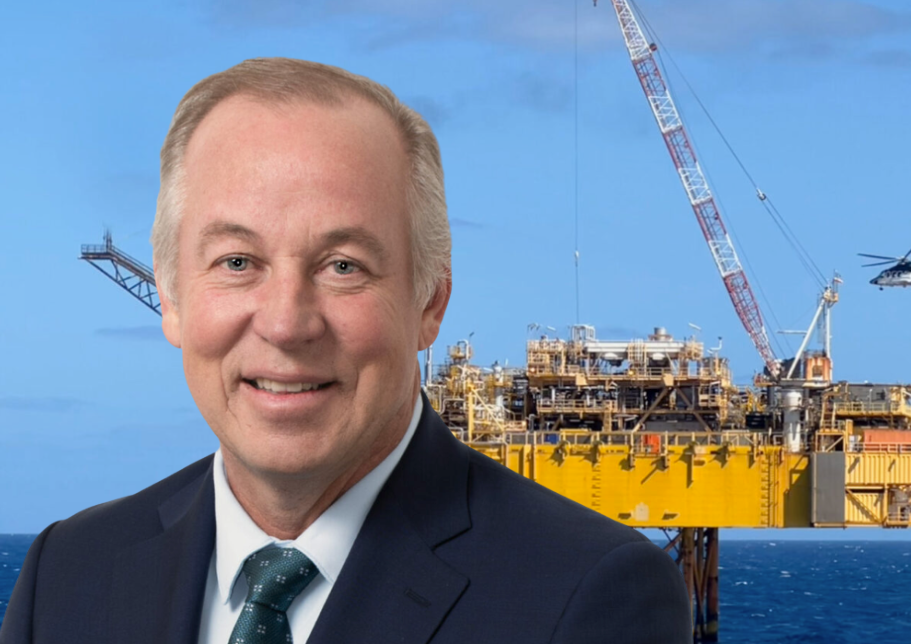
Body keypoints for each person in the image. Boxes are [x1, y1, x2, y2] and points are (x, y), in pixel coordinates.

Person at [0, 58, 690, 644]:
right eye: (238, 261)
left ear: (430, 303)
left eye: (343, 267)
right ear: (173, 297)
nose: (286, 322)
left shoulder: (589, 598)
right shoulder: (68, 574)